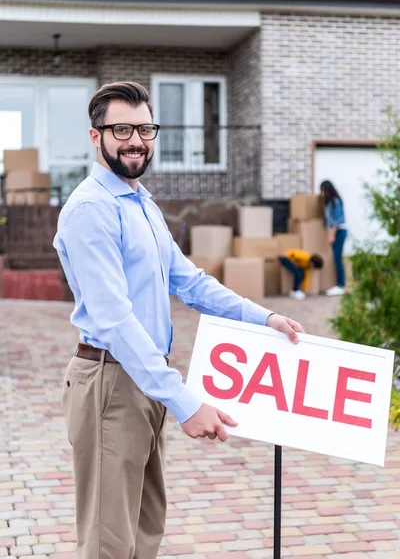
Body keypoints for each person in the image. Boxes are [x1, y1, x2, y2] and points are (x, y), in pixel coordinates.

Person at [53, 81, 305, 559]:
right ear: (95, 136)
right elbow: (113, 320)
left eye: (145, 128)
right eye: (121, 128)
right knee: (110, 541)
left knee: (146, 528)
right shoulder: (91, 210)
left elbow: (190, 282)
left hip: (142, 381)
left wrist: (263, 318)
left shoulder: (141, 203)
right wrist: (185, 402)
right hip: (110, 381)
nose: (136, 140)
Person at [320, 180, 348, 296]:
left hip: (339, 232)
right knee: (336, 258)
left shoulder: (335, 201)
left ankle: (341, 285)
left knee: (337, 258)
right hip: (337, 231)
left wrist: (332, 235)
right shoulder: (330, 201)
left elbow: (337, 221)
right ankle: (340, 284)